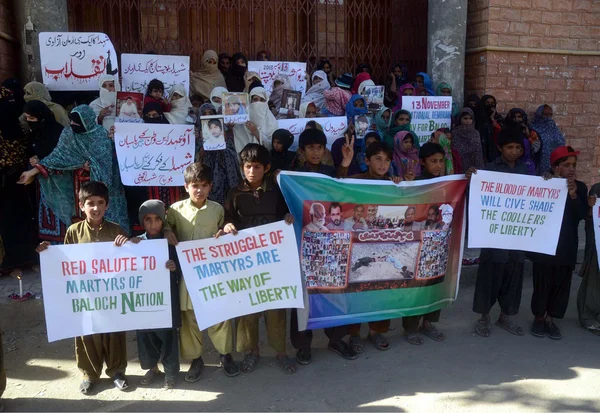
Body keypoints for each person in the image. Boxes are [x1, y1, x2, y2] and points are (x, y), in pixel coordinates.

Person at [36, 181, 130, 394]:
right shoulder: (73, 231)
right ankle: (89, 374)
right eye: (90, 203)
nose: (95, 208)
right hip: (85, 295)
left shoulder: (116, 230)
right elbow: (65, 262)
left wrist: (127, 244)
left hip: (111, 294)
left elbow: (129, 260)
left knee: (115, 333)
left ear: (107, 205)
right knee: (86, 333)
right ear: (81, 205)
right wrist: (47, 252)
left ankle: (117, 372)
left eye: (100, 203)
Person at [219, 143, 297, 374]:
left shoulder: (276, 191)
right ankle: (251, 351)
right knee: (248, 308)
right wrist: (227, 226)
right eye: (247, 167)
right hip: (245, 261)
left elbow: (287, 211)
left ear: (267, 168)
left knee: (276, 307)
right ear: (242, 167)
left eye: (257, 167)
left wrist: (287, 216)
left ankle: (281, 352)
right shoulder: (234, 193)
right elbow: (226, 219)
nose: (252, 171)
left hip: (273, 259)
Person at [164, 163, 239, 380]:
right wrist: (168, 231)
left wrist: (225, 229)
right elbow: (166, 227)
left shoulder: (217, 209)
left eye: (204, 185)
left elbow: (224, 228)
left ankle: (225, 355)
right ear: (186, 186)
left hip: (213, 272)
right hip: (187, 275)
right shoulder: (175, 210)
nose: (200, 190)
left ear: (211, 187)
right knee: (189, 317)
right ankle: (196, 360)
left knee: (220, 314)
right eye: (195, 185)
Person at [290, 129, 357, 364]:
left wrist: (346, 164)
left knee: (334, 291)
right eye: (311, 148)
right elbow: (287, 206)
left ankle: (336, 339)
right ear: (302, 151)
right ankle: (302, 345)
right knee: (302, 296)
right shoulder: (293, 176)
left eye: (320, 147)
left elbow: (342, 191)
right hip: (303, 245)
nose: (316, 152)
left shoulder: (330, 172)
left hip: (330, 245)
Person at [18, 104, 130, 233]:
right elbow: (57, 158)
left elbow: (107, 164)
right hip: (77, 190)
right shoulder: (68, 134)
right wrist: (31, 172)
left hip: (103, 190)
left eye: (76, 122)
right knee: (82, 228)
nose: (72, 124)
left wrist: (92, 167)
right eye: (71, 120)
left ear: (86, 121)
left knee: (107, 226)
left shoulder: (100, 135)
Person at [466, 128, 531, 338]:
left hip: (517, 236)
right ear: (499, 148)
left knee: (513, 277)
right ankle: (483, 318)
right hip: (493, 237)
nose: (514, 151)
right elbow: (476, 196)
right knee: (489, 277)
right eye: (509, 147)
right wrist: (471, 180)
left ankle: (505, 316)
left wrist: (549, 180)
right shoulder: (489, 170)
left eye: (518, 148)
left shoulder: (527, 170)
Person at [529, 146, 587, 340]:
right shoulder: (545, 184)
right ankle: (538, 317)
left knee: (561, 284)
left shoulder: (580, 188)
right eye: (566, 165)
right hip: (544, 245)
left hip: (567, 246)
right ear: (555, 167)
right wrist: (548, 182)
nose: (571, 169)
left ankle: (551, 318)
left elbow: (581, 216)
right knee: (542, 282)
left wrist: (573, 195)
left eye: (574, 165)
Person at [125, 200, 181, 390]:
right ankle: (152, 368)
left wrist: (174, 267)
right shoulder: (137, 242)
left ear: (163, 220)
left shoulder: (171, 241)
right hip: (144, 300)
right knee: (145, 334)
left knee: (168, 336)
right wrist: (130, 247)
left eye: (157, 219)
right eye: (148, 219)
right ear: (142, 221)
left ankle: (171, 372)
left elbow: (183, 267)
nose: (153, 224)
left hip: (166, 299)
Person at [402, 143, 449, 345]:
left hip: (438, 243)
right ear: (422, 162)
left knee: (435, 282)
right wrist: (408, 185)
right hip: (417, 245)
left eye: (441, 161)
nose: (438, 165)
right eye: (433, 161)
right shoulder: (417, 182)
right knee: (416, 285)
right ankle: (411, 327)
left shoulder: (449, 183)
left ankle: (429, 323)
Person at [0, 86, 37, 276]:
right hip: (14, 180)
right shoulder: (17, 125)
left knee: (18, 220)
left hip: (19, 180)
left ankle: (21, 260)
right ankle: (13, 262)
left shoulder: (20, 126)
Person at [22, 100, 66, 243]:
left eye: (32, 118)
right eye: (27, 118)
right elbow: (31, 151)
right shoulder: (34, 133)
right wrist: (34, 158)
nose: (29, 121)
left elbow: (60, 157)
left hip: (61, 186)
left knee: (62, 219)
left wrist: (40, 163)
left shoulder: (59, 132)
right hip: (43, 186)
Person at [195, 103, 240, 205]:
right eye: (204, 114)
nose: (207, 116)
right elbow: (192, 159)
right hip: (204, 177)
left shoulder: (223, 131)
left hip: (223, 178)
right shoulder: (195, 134)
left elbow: (232, 154)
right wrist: (201, 151)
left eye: (211, 113)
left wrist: (223, 141)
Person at [578, 183, 600, 335]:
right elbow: (589, 219)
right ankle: (589, 317)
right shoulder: (597, 190)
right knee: (594, 282)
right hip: (598, 247)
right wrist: (590, 209)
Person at [233, 87, 278, 153]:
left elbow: (273, 146)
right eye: (255, 99)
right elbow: (238, 145)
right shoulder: (241, 121)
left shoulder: (272, 121)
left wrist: (256, 132)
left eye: (262, 100)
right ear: (250, 101)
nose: (258, 103)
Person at [531, 104, 565, 175]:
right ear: (539, 115)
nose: (548, 117)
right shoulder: (532, 129)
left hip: (552, 167)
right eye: (545, 114)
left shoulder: (554, 129)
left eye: (550, 115)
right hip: (536, 166)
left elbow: (561, 145)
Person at [451, 108, 484, 172]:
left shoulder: (475, 133)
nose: (468, 121)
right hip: (458, 166)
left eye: (470, 118)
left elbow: (478, 153)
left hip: (473, 166)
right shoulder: (454, 133)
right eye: (465, 118)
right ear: (460, 119)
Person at [476, 95, 503, 163]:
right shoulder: (478, 117)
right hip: (481, 146)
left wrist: (492, 118)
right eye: (487, 103)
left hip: (494, 147)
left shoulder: (498, 117)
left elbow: (501, 131)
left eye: (492, 103)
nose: (490, 105)